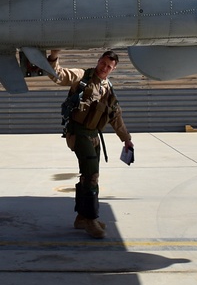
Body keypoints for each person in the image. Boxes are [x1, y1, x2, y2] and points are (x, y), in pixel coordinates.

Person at [47, 50, 134, 239]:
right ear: (98, 61)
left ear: (113, 69)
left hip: (94, 136)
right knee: (92, 175)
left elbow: (115, 116)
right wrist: (54, 56)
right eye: (103, 63)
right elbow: (59, 76)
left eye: (109, 66)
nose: (104, 68)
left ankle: (81, 217)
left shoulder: (108, 87)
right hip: (79, 134)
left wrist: (126, 139)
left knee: (89, 177)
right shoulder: (83, 76)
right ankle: (91, 219)